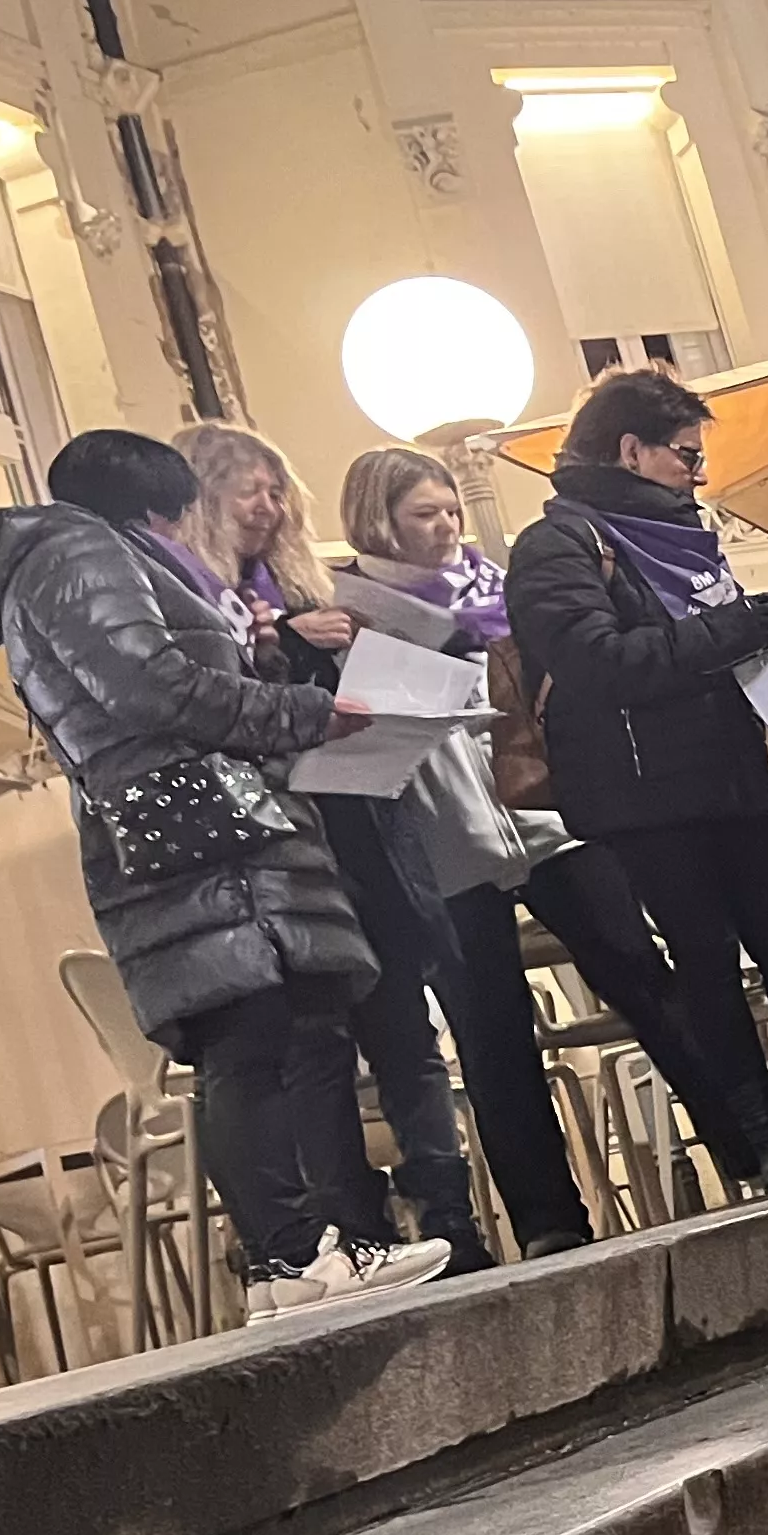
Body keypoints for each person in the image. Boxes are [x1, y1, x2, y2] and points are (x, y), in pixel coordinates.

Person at [0, 431, 455, 1316]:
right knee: (246, 1041)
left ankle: (303, 1254)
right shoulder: (81, 550)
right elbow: (147, 686)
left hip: (206, 828)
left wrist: (252, 652)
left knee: (278, 1029)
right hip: (192, 833)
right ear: (159, 501)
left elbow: (160, 677)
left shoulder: (94, 556)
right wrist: (305, 710)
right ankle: (287, 1255)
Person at [506, 366, 768, 1188]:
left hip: (725, 772)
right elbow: (595, 662)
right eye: (683, 455)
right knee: (705, 965)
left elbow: (692, 641)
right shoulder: (557, 544)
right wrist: (726, 633)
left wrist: (764, 636)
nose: (697, 473)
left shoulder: (682, 536)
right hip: (643, 796)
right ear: (629, 450)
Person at [338, 445, 730, 1256]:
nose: (447, 528)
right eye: (425, 515)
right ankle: (549, 1222)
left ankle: (745, 1149)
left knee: (642, 973)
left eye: (451, 510)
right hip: (448, 835)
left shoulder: (499, 589)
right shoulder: (346, 613)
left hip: (547, 814)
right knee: (491, 1033)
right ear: (379, 520)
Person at [180, 422, 492, 1272]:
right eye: (251, 489)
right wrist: (273, 647)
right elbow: (212, 714)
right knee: (318, 1049)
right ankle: (356, 1230)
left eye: (278, 491)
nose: (269, 507)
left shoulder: (309, 584)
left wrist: (354, 650)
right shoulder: (190, 597)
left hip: (367, 830)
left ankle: (451, 1218)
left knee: (408, 1039)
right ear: (204, 496)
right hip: (286, 849)